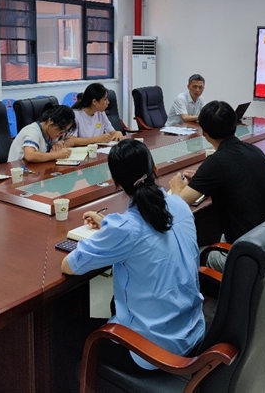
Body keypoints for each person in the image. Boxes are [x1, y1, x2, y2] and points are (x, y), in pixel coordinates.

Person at [57, 140, 204, 392]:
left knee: (63, 331)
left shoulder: (125, 229)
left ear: (117, 183)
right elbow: (148, 235)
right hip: (192, 334)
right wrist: (108, 227)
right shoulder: (179, 205)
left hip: (150, 351)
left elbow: (69, 265)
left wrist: (110, 232)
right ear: (155, 168)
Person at [169, 100, 265, 272]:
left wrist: (177, 188)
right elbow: (235, 174)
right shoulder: (254, 151)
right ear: (235, 125)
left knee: (186, 254)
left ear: (203, 131)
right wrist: (205, 179)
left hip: (245, 257)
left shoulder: (217, 162)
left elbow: (179, 204)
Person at [7, 105, 76, 162]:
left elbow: (70, 140)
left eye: (64, 131)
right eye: (60, 129)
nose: (61, 134)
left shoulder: (54, 132)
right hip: (17, 170)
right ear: (50, 120)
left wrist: (60, 142)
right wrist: (57, 155)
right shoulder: (32, 130)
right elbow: (30, 155)